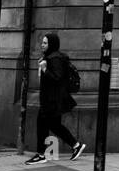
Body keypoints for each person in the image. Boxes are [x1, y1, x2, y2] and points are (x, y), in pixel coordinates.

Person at [26, 32, 85, 164]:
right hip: (51, 99)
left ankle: (41, 155)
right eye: (42, 42)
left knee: (42, 125)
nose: (42, 45)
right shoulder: (50, 57)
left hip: (51, 100)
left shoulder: (54, 59)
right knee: (55, 125)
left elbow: (57, 78)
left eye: (45, 43)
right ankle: (76, 145)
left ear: (52, 44)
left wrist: (45, 70)